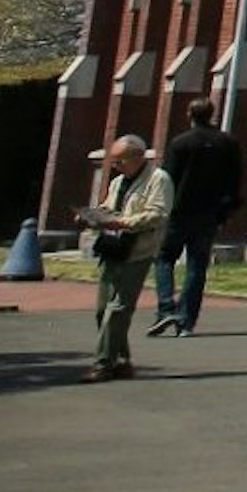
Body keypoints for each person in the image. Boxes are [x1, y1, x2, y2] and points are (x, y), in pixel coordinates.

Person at [81, 135, 173, 382]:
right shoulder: (119, 182)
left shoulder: (158, 180)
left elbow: (158, 214)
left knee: (119, 309)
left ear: (137, 157)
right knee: (103, 310)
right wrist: (93, 217)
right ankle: (122, 361)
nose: (115, 166)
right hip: (113, 248)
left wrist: (123, 223)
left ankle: (103, 364)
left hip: (138, 251)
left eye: (120, 161)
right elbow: (108, 208)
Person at [151, 106, 247, 337]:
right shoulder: (228, 143)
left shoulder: (180, 143)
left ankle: (166, 307)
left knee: (164, 258)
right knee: (197, 265)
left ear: (189, 115)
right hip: (209, 213)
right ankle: (186, 320)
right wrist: (227, 211)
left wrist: (161, 209)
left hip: (179, 211)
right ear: (211, 113)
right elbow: (235, 180)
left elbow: (167, 178)